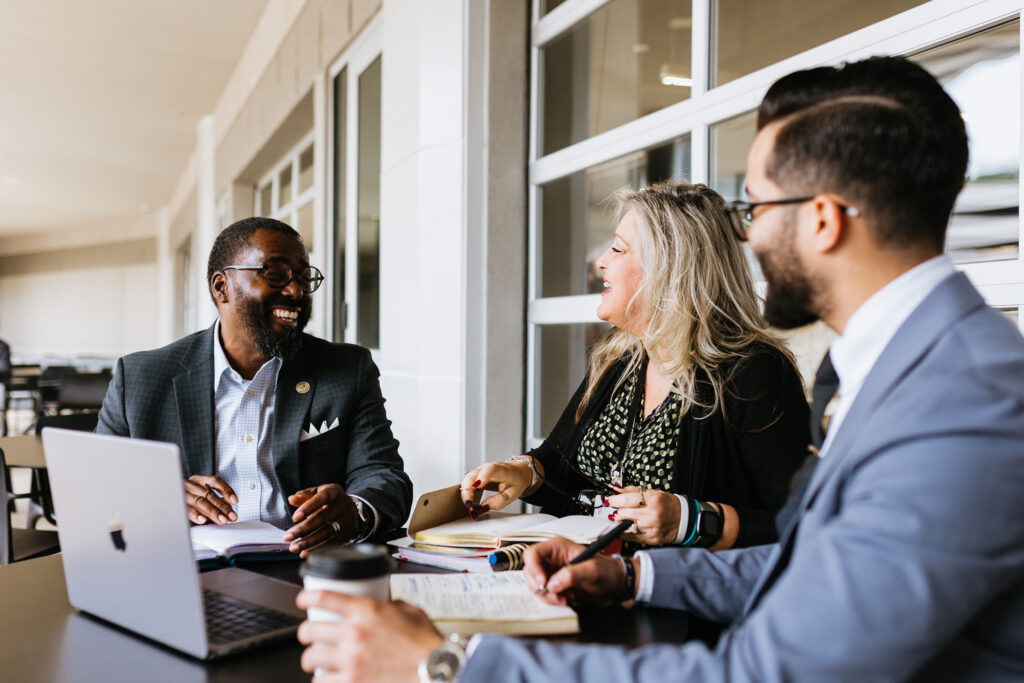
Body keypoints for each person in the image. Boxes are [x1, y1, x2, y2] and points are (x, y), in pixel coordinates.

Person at [294, 56, 1024, 681]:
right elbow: (816, 569)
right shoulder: (890, 369)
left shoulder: (964, 399)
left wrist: (444, 662)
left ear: (824, 219)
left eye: (756, 206)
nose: (747, 233)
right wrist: (636, 571)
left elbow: (772, 670)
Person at [461, 181, 809, 551]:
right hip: (577, 573)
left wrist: (691, 521)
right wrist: (524, 472)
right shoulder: (622, 359)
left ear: (670, 268)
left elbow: (803, 522)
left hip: (663, 595)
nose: (600, 262)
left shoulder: (753, 372)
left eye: (617, 249)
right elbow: (558, 461)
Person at [96, 217, 412, 556]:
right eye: (275, 274)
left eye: (304, 278)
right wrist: (158, 494)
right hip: (186, 568)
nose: (295, 291)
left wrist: (356, 511)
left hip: (306, 568)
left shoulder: (347, 369)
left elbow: (383, 475)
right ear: (222, 287)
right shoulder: (142, 377)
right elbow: (96, 485)